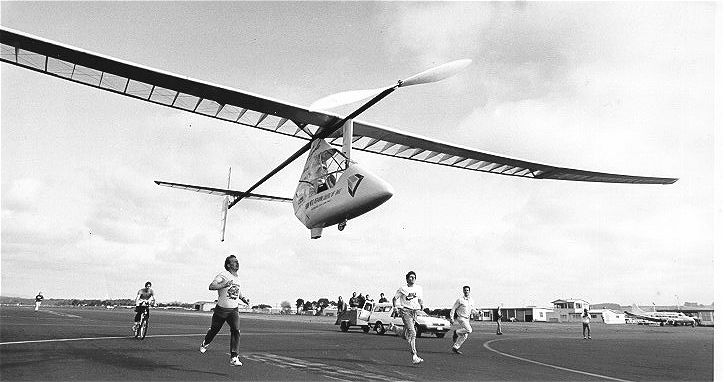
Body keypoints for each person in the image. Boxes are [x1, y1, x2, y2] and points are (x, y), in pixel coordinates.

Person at [199, 255, 249, 367]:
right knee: (214, 330)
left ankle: (234, 356)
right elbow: (211, 286)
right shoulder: (223, 275)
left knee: (236, 330)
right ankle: (205, 343)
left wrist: (243, 298)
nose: (237, 263)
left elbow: (237, 291)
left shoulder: (237, 278)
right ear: (228, 265)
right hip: (221, 310)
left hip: (233, 310)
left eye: (237, 261)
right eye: (234, 262)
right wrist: (223, 284)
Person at [390, 271, 424, 365]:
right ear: (407, 279)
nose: (412, 278)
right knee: (412, 332)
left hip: (414, 312)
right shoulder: (402, 289)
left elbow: (420, 299)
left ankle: (394, 328)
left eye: (414, 277)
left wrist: (421, 305)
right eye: (410, 277)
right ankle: (414, 356)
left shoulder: (419, 288)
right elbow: (394, 298)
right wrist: (395, 308)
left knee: (407, 334)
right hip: (405, 311)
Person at [449, 286, 476, 354]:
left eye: (467, 290)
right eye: (465, 290)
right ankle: (456, 332)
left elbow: (472, 309)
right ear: (463, 291)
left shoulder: (471, 300)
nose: (466, 291)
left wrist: (478, 312)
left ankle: (455, 347)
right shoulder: (460, 300)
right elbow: (453, 308)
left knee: (464, 335)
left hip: (467, 319)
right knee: (469, 330)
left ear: (469, 291)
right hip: (461, 318)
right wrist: (451, 318)